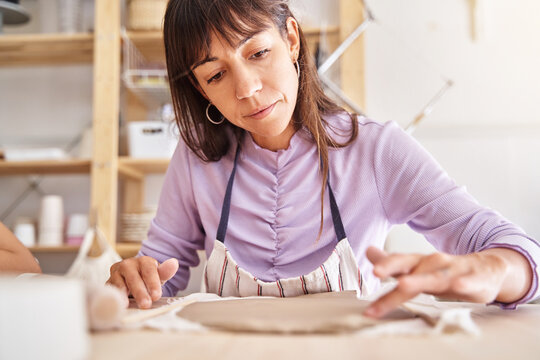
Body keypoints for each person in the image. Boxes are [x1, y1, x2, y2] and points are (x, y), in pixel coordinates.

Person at [107, 0, 539, 317]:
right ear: (202, 90)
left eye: (258, 53)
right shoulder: (196, 158)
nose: (247, 89)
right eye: (216, 74)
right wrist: (134, 280)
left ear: (291, 39)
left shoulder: (375, 150)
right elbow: (159, 268)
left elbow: (522, 255)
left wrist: (492, 269)